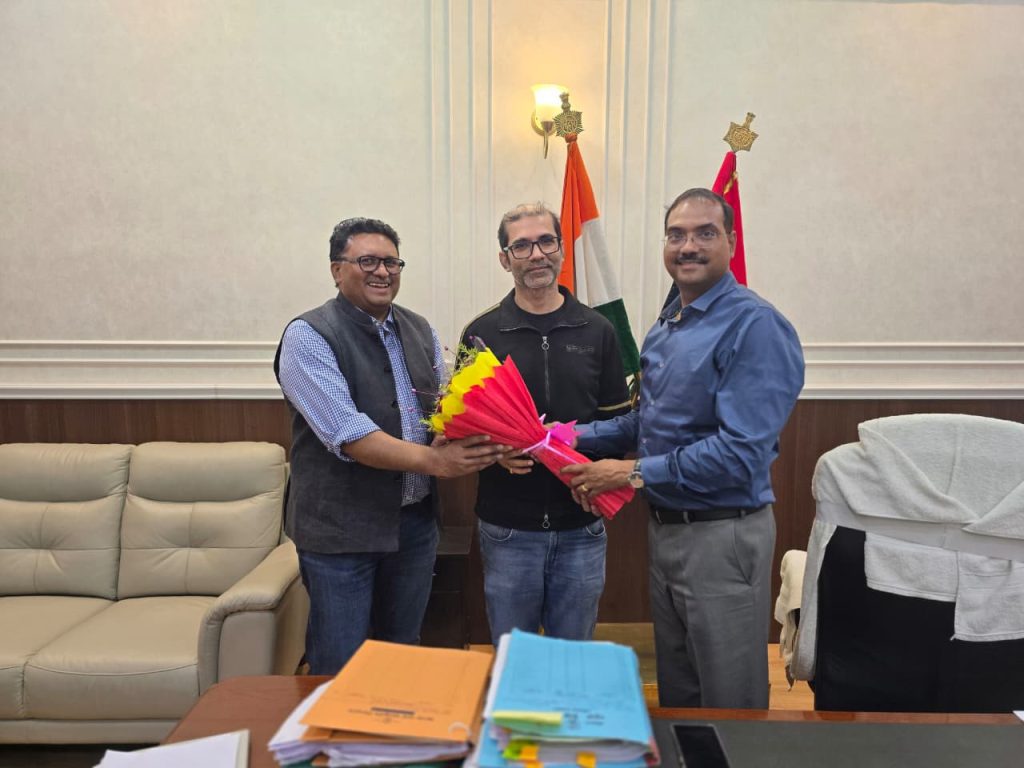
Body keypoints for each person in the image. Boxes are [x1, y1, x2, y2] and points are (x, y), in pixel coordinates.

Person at [562, 189, 804, 708]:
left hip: (722, 534)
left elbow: (740, 453)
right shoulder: (670, 323)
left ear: (731, 242)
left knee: (729, 699)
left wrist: (627, 475)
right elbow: (649, 422)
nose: (688, 246)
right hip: (667, 530)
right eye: (676, 235)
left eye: (704, 233)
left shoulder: (754, 326)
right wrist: (567, 436)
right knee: (680, 693)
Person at [273, 216, 507, 674]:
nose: (382, 271)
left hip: (414, 527)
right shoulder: (308, 335)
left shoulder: (420, 329)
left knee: (401, 655)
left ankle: (395, 724)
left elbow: (442, 408)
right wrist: (439, 462)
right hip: (341, 533)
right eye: (367, 261)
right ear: (337, 270)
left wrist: (475, 432)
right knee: (340, 664)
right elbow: (350, 435)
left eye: (391, 262)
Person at [459, 203, 631, 644]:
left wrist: (597, 479)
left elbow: (619, 424)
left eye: (546, 242)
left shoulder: (598, 330)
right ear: (505, 259)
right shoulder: (481, 334)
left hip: (582, 526)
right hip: (508, 528)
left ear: (561, 250)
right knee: (513, 656)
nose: (536, 254)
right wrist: (495, 452)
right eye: (521, 246)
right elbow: (461, 428)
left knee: (572, 659)